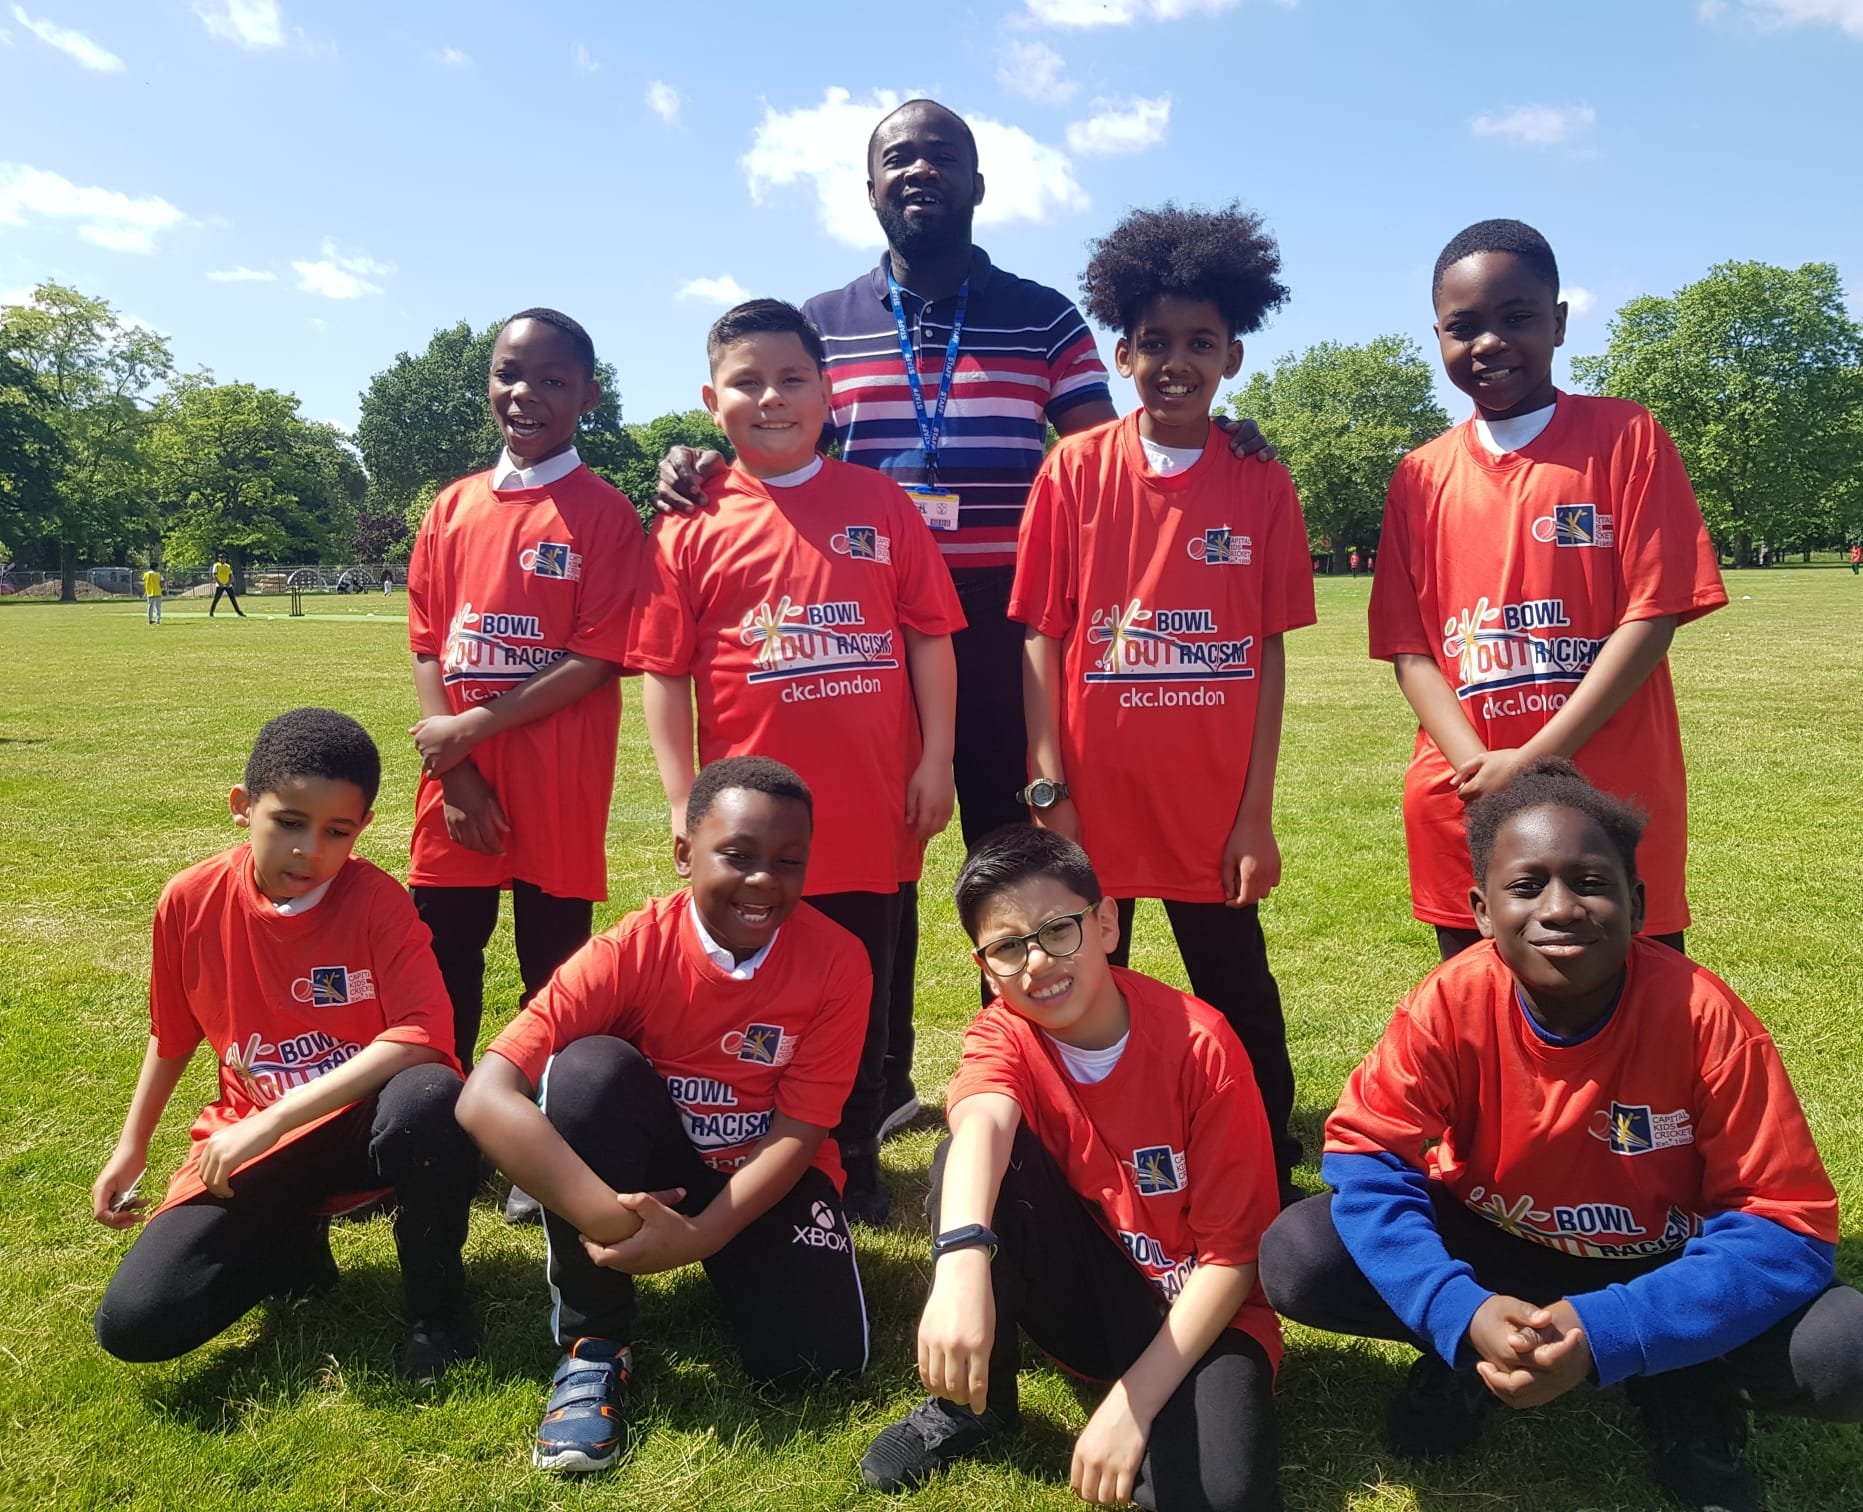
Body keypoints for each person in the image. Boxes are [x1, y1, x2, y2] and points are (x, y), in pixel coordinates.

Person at [654, 100, 1277, 1144]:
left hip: (1008, 624)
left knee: (1021, 864)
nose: (921, 172)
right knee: (869, 857)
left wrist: (1217, 432)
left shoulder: (1044, 317)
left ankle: (1034, 1079)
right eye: (898, 158)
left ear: (979, 184)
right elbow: (778, 429)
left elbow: (1120, 446)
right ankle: (877, 1080)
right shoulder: (823, 318)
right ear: (869, 187)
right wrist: (696, 460)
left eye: (943, 156)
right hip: (860, 624)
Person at [1260, 759, 1863, 1512]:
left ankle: (1683, 1378)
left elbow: (1786, 1227)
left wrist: (1609, 1328)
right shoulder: (1452, 1001)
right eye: (1527, 886)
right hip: (1497, 1246)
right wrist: (1458, 1309)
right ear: (1481, 912)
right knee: (1301, 1255)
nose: (1560, 908)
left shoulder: (1703, 1020)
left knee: (1849, 1357)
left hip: (1662, 1263)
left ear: (1638, 904)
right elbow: (1368, 1157)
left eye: (1591, 883)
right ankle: (1468, 1355)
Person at [629, 299, 963, 1225]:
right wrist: (683, 799)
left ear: (828, 392)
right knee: (757, 987)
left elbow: (931, 640)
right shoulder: (690, 523)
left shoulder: (880, 504)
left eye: (791, 379)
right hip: (752, 829)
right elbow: (663, 673)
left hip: (867, 811)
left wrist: (935, 759)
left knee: (862, 991)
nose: (771, 398)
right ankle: (746, 1145)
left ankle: (851, 1160)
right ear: (712, 401)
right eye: (747, 382)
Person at [1014, 203, 1314, 1202]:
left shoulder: (1260, 479)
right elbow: (1041, 634)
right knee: (1084, 980)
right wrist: (1048, 786)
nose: (1175, 363)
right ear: (1122, 352)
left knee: (1237, 985)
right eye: (1154, 343)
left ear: (1233, 354)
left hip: (1210, 809)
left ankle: (1265, 1154)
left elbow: (1266, 653)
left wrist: (1255, 814)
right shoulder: (1074, 469)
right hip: (1094, 803)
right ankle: (1078, 1154)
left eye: (1199, 343)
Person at [456, 756, 872, 1474]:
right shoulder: (633, 948)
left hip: (763, 1175)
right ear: (684, 853)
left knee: (817, 1364)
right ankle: (594, 1343)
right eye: (737, 855)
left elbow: (801, 1131)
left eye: (788, 861)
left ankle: (735, 1266)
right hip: (651, 1179)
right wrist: (620, 1225)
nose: (764, 880)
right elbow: (483, 1096)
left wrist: (701, 1236)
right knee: (587, 1072)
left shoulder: (838, 961)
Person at [860, 827, 1280, 1511]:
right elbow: (982, 1121)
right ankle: (974, 1406)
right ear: (985, 967)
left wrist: (1132, 1405)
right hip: (1083, 1296)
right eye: (1007, 947)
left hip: (1204, 1312)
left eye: (1059, 930)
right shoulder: (1005, 1029)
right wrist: (961, 1263)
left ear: (1106, 923)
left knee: (1223, 1497)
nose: (1037, 962)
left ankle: (1154, 1413)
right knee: (967, 1159)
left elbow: (1232, 1261)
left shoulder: (1200, 1045)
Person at [1369, 218, 1727, 961]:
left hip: (1610, 801)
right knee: (1482, 1009)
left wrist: (1532, 759)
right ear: (1437, 336)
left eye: (1517, 317)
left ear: (1559, 323)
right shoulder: (1419, 475)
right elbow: (1410, 650)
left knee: (1641, 1011)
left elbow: (1652, 615)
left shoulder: (1626, 436)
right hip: (1466, 803)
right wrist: (1484, 770)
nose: (1490, 342)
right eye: (1463, 327)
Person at [89, 708, 478, 1379]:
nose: (310, 850)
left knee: (430, 1099)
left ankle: (436, 1315)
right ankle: (291, 1245)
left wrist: (272, 1121)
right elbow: (172, 1035)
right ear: (243, 806)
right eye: (290, 823)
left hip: (359, 1128)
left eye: (337, 832)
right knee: (136, 1322)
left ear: (362, 829)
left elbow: (422, 1036)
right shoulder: (189, 900)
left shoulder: (378, 901)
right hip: (255, 1136)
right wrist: (132, 1146)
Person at [404, 307, 644, 1081]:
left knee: (553, 965)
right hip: (457, 780)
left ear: (588, 396)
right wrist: (457, 769)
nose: (525, 394)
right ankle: (438, 1112)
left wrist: (469, 728)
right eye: (508, 374)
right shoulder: (451, 507)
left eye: (552, 380)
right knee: (442, 952)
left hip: (558, 777)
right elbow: (427, 644)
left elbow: (596, 658)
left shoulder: (606, 514)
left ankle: (536, 1111)